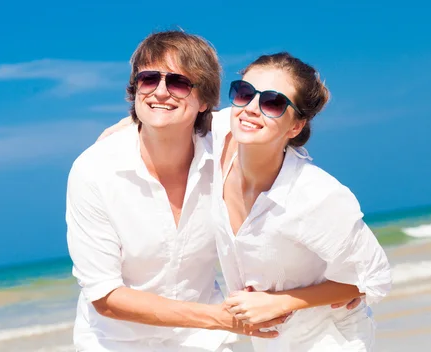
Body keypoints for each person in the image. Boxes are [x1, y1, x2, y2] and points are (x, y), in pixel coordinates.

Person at [65, 31, 285, 352]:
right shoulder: (95, 171)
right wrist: (223, 319)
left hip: (204, 342)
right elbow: (106, 297)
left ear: (205, 100)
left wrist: (338, 278)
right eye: (149, 79)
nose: (161, 92)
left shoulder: (226, 142)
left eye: (180, 83)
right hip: (116, 343)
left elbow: (290, 124)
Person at [217, 53, 391, 351]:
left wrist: (279, 302)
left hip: (329, 340)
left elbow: (373, 278)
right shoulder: (219, 141)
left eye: (273, 103)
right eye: (244, 93)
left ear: (295, 126)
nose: (252, 108)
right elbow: (162, 119)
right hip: (270, 343)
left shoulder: (315, 196)